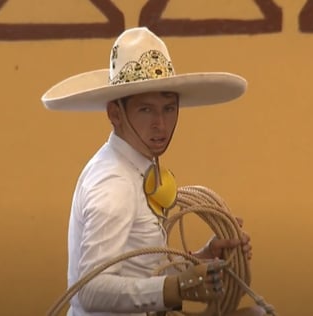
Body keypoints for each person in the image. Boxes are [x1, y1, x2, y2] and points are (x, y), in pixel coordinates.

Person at [42, 27, 264, 316]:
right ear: (115, 114)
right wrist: (177, 288)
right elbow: (90, 290)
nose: (161, 123)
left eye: (169, 109)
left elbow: (140, 270)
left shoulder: (135, 169)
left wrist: (200, 261)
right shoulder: (113, 183)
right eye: (146, 110)